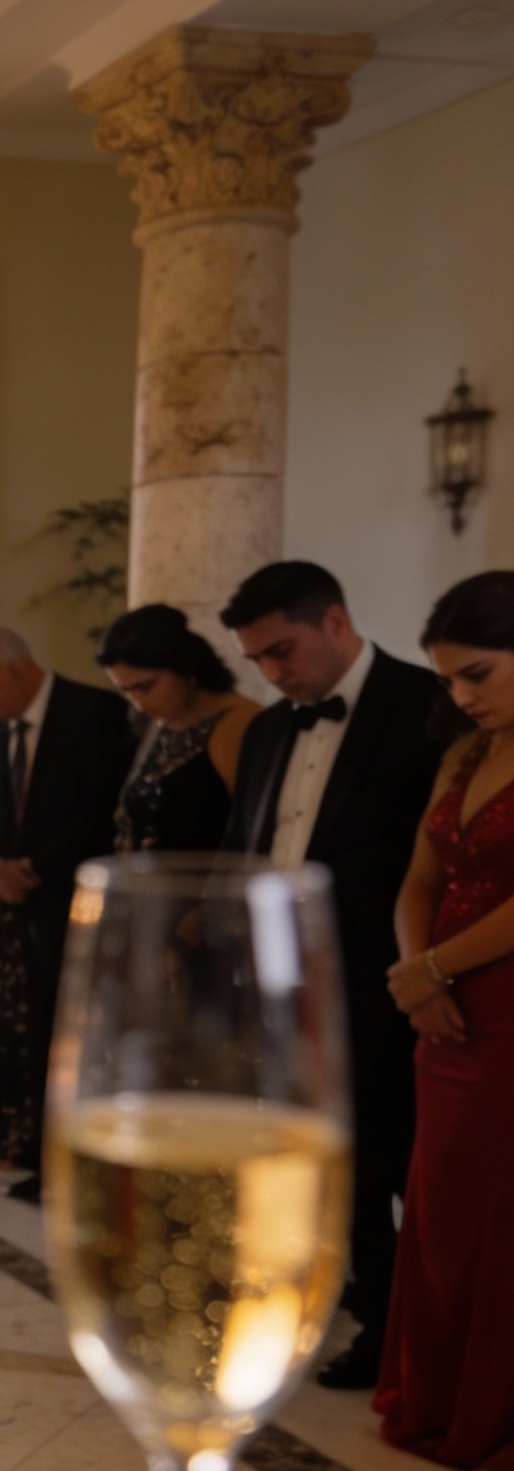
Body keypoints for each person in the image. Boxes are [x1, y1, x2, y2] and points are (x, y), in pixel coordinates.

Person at [222, 561, 453, 1389]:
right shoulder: (266, 730)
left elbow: (442, 862)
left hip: (381, 979)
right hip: (274, 989)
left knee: (387, 1160)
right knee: (310, 1160)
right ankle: (327, 1299)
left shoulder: (430, 708)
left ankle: (393, 1329)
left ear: (335, 622)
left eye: (281, 651)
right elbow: (246, 848)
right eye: (256, 659)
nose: (271, 673)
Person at [378, 571, 514, 1471]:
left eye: (478, 674)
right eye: (448, 680)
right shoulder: (466, 753)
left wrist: (433, 968)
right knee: (445, 1207)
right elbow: (420, 877)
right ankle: (439, 1398)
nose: (461, 696)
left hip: (504, 1006)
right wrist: (415, 971)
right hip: (445, 1008)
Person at [0, 628, 133, 1200]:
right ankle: (31, 1148)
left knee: (70, 1033)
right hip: (11, 909)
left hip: (76, 901)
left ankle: (68, 1161)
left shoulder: (97, 712)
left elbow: (104, 807)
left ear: (22, 670)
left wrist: (33, 866)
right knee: (24, 1031)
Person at [96, 604, 258, 853]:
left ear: (185, 668)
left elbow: (251, 834)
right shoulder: (161, 721)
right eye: (126, 692)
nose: (139, 704)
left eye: (145, 687)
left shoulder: (239, 722)